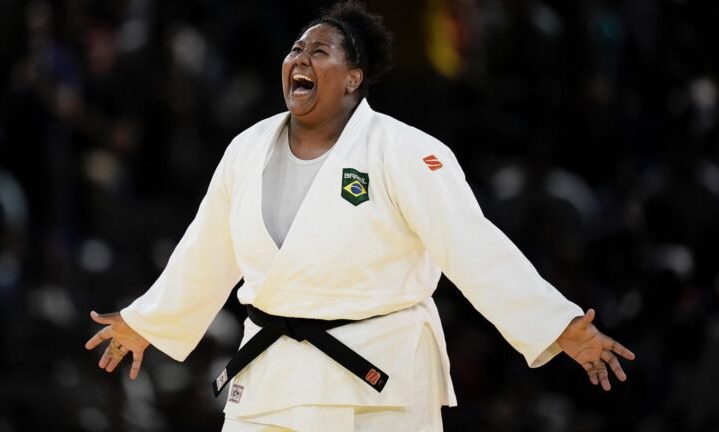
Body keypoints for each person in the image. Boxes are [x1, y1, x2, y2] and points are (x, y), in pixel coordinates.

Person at [85, 2, 635, 430]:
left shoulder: (405, 150)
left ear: (353, 77)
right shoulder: (247, 148)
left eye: (319, 51)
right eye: (296, 48)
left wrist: (556, 325)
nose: (300, 58)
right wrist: (147, 321)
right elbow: (206, 250)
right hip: (271, 378)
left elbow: (472, 247)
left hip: (379, 384)